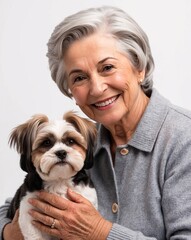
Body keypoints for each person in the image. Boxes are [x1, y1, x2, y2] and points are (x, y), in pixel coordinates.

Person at [1, 5, 191, 240]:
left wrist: (100, 232)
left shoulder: (184, 139)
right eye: (79, 77)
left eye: (108, 67)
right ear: (70, 89)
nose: (97, 88)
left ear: (139, 67)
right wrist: (10, 233)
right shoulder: (82, 140)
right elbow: (11, 208)